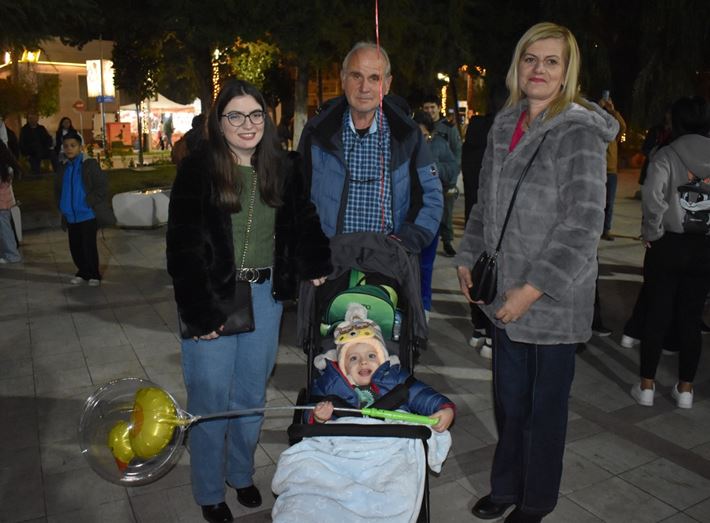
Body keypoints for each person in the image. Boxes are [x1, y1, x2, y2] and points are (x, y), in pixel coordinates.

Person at [455, 22, 619, 522]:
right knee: (509, 404)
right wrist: (467, 256)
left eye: (551, 61)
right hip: (503, 295)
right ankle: (506, 487)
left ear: (567, 72)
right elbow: (484, 204)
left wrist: (532, 290)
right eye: (531, 59)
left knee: (543, 412)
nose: (539, 70)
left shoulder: (578, 132)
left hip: (551, 302)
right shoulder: (504, 124)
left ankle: (536, 501)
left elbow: (584, 222)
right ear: (517, 66)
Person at [166, 79, 332, 523]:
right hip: (212, 296)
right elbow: (182, 246)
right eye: (235, 115)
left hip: (265, 297)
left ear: (266, 119)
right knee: (210, 400)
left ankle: (241, 474)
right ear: (218, 123)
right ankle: (208, 491)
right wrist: (199, 311)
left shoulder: (284, 166)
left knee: (250, 397)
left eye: (255, 114)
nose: (247, 124)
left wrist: (313, 259)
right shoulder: (198, 170)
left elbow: (303, 219)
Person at [298, 42, 443, 256]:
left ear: (387, 84)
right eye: (356, 76)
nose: (364, 87)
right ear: (343, 79)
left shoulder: (407, 135)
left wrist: (404, 244)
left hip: (387, 263)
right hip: (329, 264)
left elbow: (431, 197)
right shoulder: (316, 133)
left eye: (374, 78)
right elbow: (295, 197)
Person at [630, 96, 710, 410]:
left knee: (657, 313)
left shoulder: (665, 154)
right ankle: (686, 389)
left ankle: (646, 386)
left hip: (667, 244)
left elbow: (653, 199)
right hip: (704, 248)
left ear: (675, 122)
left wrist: (651, 233)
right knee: (691, 318)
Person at [309, 303, 455, 432]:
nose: (363, 362)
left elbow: (420, 394)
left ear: (382, 359)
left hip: (392, 436)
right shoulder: (330, 383)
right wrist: (318, 416)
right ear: (343, 366)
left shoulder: (395, 377)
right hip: (346, 440)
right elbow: (310, 407)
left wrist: (444, 409)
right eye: (353, 358)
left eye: (371, 356)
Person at [461, 85, 507, 357]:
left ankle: (478, 328)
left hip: (474, 211)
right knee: (494, 274)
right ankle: (490, 335)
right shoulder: (503, 132)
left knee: (476, 271)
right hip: (495, 218)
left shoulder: (476, 129)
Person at [412, 110, 458, 321]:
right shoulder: (403, 147)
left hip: (431, 215)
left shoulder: (439, 145)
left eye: (425, 135)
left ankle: (425, 306)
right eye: (417, 134)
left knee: (425, 265)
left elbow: (452, 168)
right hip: (408, 217)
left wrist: (432, 169)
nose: (421, 140)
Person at [54, 131, 115, 286]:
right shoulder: (63, 167)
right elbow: (58, 189)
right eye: (66, 146)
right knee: (75, 247)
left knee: (89, 246)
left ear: (80, 147)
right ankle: (83, 271)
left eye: (73, 145)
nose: (69, 149)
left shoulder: (89, 165)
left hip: (87, 214)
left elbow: (102, 186)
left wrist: (89, 202)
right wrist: (61, 204)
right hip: (70, 215)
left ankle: (94, 274)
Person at [422, 94, 462, 257]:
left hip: (445, 179)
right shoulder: (421, 127)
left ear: (439, 108)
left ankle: (447, 241)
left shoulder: (448, 128)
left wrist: (452, 177)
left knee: (446, 212)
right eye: (426, 108)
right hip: (427, 179)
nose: (430, 110)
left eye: (432, 107)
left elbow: (457, 152)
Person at [598, 95, 626, 241]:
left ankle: (606, 230)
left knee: (609, 203)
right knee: (597, 202)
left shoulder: (614, 135)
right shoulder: (596, 132)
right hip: (598, 171)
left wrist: (613, 110)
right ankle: (595, 229)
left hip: (611, 173)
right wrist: (598, 107)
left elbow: (623, 126)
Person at [0, 140, 23, 263]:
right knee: (5, 230)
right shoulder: (7, 167)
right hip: (5, 203)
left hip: (2, 205)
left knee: (5, 231)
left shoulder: (4, 169)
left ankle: (12, 255)